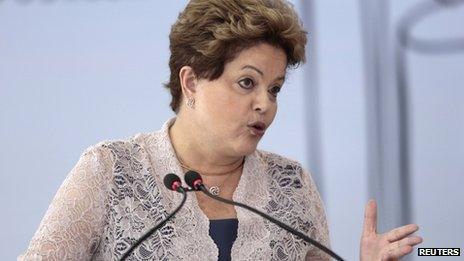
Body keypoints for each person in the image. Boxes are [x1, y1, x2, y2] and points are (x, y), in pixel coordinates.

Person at [19, 0, 422, 260]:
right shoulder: (110, 169)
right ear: (191, 82)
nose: (265, 104)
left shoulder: (292, 185)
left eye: (275, 88)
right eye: (247, 82)